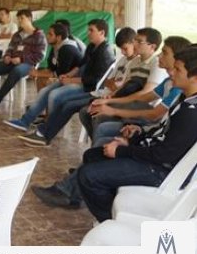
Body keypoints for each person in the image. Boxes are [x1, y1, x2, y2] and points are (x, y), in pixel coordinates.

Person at [31, 36, 191, 210]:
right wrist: (113, 105)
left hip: (157, 161)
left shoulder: (184, 101)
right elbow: (144, 101)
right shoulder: (176, 88)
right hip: (149, 136)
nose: (160, 55)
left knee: (102, 131)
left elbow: (156, 121)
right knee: (95, 131)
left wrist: (121, 129)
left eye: (165, 52)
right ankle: (82, 176)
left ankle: (84, 191)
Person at [76, 46, 197, 222]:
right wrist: (136, 135)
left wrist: (121, 151)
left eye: (178, 70)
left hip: (164, 172)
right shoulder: (185, 99)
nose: (172, 72)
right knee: (92, 156)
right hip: (158, 160)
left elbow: (164, 155)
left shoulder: (191, 112)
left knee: (88, 176)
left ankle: (110, 221)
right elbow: (163, 132)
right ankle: (113, 210)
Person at [18, 18, 115, 146]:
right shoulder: (92, 46)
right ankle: (43, 130)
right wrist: (68, 75)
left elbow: (95, 81)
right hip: (82, 82)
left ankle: (46, 131)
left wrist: (72, 80)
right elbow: (81, 65)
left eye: (91, 30)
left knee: (57, 96)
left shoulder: (105, 52)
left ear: (102, 33)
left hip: (90, 89)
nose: (88, 33)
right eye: (88, 30)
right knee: (51, 93)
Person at [2, 23, 84, 131]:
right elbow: (51, 69)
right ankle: (28, 120)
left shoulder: (67, 49)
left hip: (76, 81)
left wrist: (38, 73)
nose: (47, 36)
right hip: (65, 78)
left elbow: (59, 74)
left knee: (49, 92)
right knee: (43, 87)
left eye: (50, 34)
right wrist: (35, 72)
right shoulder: (55, 47)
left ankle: (44, 124)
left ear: (59, 37)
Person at [0, 9, 46, 110]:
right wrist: (7, 56)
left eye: (22, 18)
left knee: (17, 70)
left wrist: (21, 59)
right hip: (11, 61)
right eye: (18, 19)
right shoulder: (17, 35)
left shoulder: (39, 36)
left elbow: (40, 56)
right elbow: (10, 48)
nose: (19, 21)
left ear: (29, 19)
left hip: (28, 64)